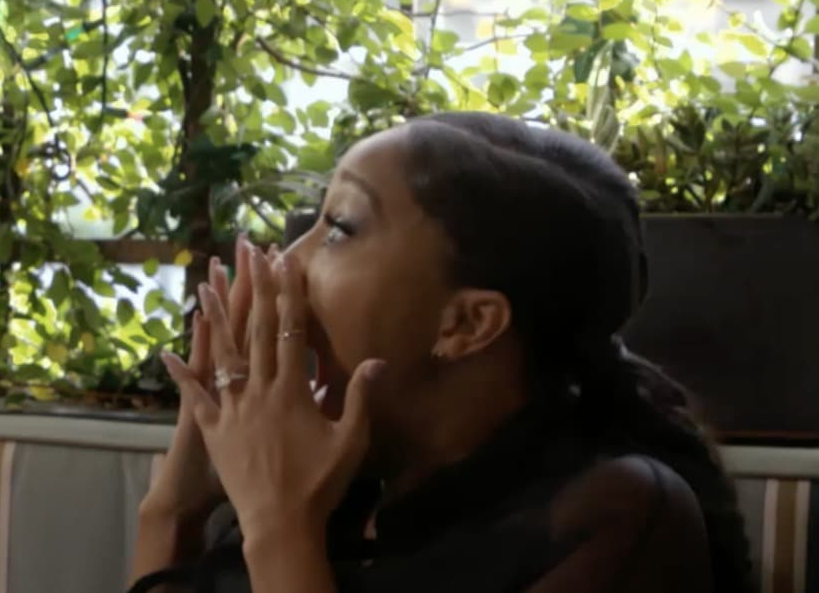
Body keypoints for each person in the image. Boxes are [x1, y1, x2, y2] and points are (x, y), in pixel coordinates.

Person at [129, 112, 756, 593]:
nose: (285, 263)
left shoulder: (617, 514)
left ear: (467, 324)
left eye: (339, 228)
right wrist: (175, 511)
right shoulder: (342, 481)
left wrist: (280, 530)